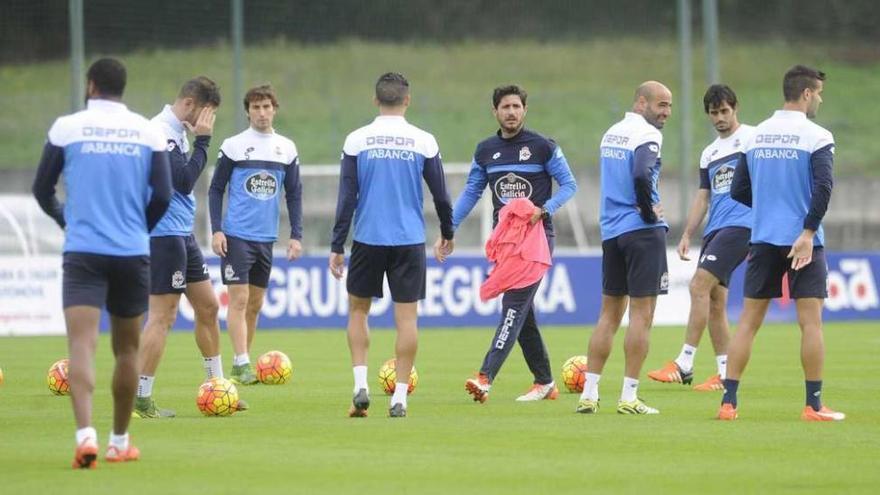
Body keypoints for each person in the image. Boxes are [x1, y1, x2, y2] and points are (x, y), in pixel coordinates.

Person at [32, 57, 172, 467]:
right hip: (131, 252)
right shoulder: (148, 131)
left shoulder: (67, 127)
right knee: (127, 351)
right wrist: (137, 229)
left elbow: (42, 189)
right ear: (122, 88)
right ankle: (119, 441)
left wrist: (65, 219)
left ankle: (85, 437)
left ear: (91, 85)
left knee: (81, 345)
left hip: (84, 251)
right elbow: (162, 195)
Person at [720, 65, 843, 421]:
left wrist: (770, 208)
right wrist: (806, 232)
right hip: (804, 242)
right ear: (806, 93)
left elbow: (738, 189)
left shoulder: (756, 136)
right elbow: (823, 188)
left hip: (762, 239)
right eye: (818, 92)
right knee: (811, 323)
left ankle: (728, 403)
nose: (819, 98)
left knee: (747, 322)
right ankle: (813, 405)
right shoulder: (817, 136)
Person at [329, 72, 454, 418]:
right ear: (407, 100)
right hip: (409, 240)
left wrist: (337, 244)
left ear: (375, 101)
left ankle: (360, 386)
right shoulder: (423, 141)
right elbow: (441, 195)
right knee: (407, 320)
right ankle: (400, 397)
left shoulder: (357, 140)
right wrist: (448, 231)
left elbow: (346, 198)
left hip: (368, 238)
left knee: (357, 311)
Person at [453, 85, 577, 403]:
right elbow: (471, 193)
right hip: (506, 243)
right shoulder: (485, 151)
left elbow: (569, 184)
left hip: (536, 241)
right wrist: (448, 227)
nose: (511, 112)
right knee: (523, 314)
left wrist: (543, 209)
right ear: (495, 111)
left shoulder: (542, 147)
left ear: (525, 110)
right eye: (505, 106)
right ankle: (545, 381)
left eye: (516, 106)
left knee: (513, 307)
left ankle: (485, 377)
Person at [132, 77, 237, 418]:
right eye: (208, 115)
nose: (209, 123)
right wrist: (204, 141)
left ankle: (217, 386)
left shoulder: (176, 133)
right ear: (191, 105)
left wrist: (197, 139)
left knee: (207, 307)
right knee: (163, 316)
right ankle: (140, 398)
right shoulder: (161, 131)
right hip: (163, 235)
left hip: (181, 233)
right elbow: (183, 180)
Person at [647, 84, 754, 391]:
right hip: (716, 229)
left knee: (698, 285)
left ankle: (684, 363)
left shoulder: (752, 138)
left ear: (735, 108)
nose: (720, 118)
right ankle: (724, 374)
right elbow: (703, 197)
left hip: (742, 224)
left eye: (724, 111)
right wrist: (687, 234)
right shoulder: (710, 153)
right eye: (713, 113)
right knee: (716, 302)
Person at [577, 81, 672, 415]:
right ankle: (629, 396)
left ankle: (589, 393)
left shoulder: (612, 133)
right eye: (661, 104)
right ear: (641, 102)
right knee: (642, 316)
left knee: (608, 315)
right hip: (642, 233)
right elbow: (642, 173)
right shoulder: (648, 135)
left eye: (669, 106)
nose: (666, 113)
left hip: (612, 233)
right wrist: (648, 212)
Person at [209, 84, 303, 385]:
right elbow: (215, 189)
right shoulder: (235, 145)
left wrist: (296, 234)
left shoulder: (286, 148)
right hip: (237, 235)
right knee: (238, 300)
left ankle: (243, 362)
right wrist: (217, 229)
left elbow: (295, 194)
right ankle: (241, 362)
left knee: (256, 303)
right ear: (248, 111)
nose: (262, 113)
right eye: (256, 107)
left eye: (266, 107)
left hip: (266, 238)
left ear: (274, 109)